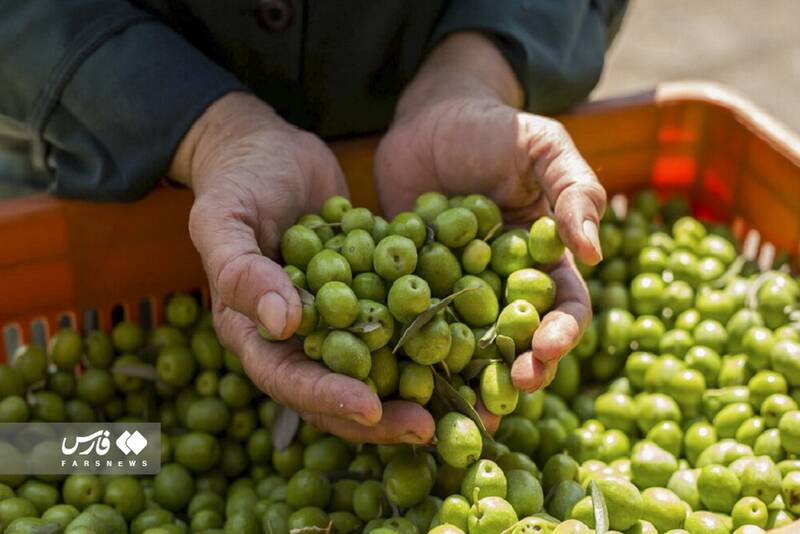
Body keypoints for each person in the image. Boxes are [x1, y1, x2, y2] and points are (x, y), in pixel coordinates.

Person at [0, 1, 626, 443]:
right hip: (98, 134)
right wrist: (208, 128)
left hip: (441, 108)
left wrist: (473, 70)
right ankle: (71, 448)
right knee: (50, 435)